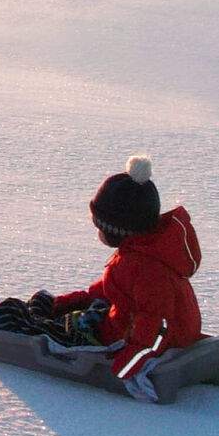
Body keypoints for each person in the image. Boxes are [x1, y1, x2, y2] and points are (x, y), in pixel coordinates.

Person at [37, 155, 201, 403]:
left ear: (118, 230)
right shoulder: (141, 250)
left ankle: (49, 331)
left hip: (160, 339)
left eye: (100, 226)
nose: (98, 233)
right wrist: (68, 301)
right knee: (85, 312)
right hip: (145, 325)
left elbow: (156, 321)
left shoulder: (147, 268)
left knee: (75, 331)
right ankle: (60, 317)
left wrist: (130, 362)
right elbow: (113, 290)